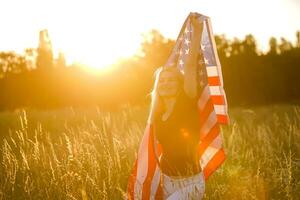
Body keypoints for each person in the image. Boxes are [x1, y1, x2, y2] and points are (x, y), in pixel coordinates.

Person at [147, 15, 205, 199]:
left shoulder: (187, 101)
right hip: (167, 180)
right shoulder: (158, 113)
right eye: (162, 81)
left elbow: (189, 66)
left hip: (191, 181)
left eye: (171, 80)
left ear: (180, 84)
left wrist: (197, 31)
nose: (166, 83)